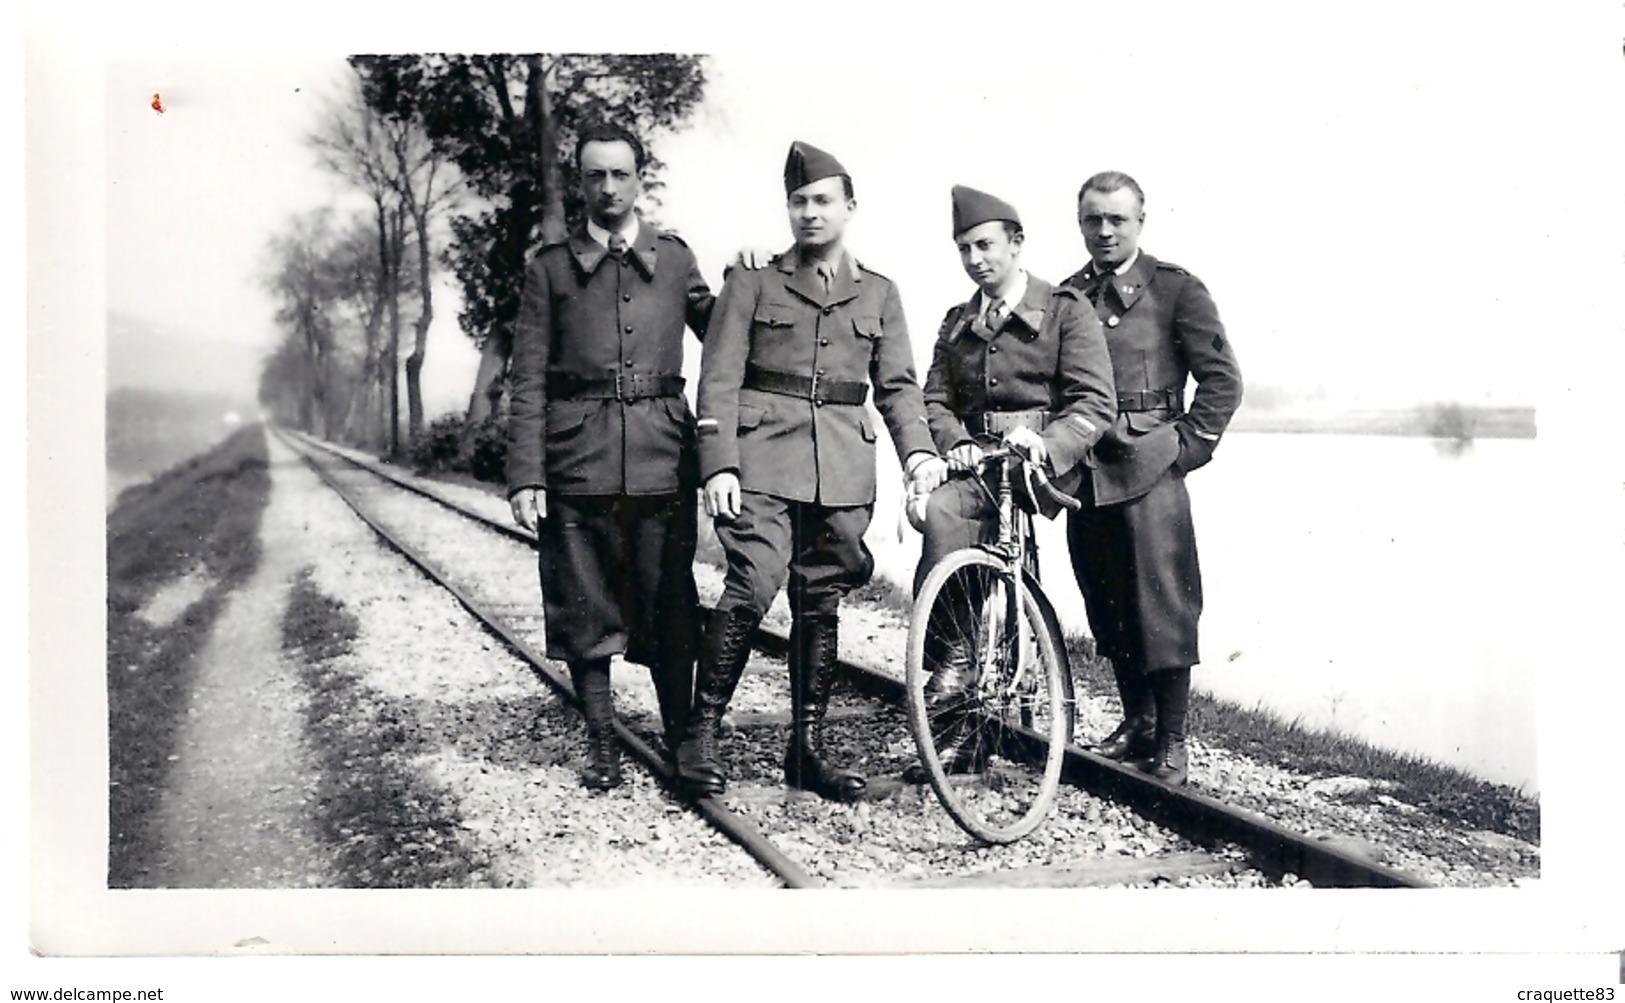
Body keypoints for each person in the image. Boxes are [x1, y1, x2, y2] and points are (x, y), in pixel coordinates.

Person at [678, 140, 948, 803]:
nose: (808, 212)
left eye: (821, 200)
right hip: (761, 460)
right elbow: (717, 378)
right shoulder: (752, 281)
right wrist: (717, 462)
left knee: (820, 602)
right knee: (753, 580)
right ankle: (698, 734)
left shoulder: (880, 294)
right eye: (797, 201)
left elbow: (898, 388)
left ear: (848, 207)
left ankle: (806, 749)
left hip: (843, 470)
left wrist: (916, 451)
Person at [506, 123, 715, 791]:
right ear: (580, 181)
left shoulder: (676, 259)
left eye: (619, 174)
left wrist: (752, 273)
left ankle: (684, 743)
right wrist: (526, 475)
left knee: (671, 605)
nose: (607, 187)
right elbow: (528, 376)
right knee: (582, 605)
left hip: (661, 460)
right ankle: (602, 744)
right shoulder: (549, 269)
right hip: (577, 463)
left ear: (638, 178)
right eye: (594, 175)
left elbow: (726, 334)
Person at [902, 185, 1116, 782]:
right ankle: (953, 666)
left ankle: (989, 671)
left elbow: (1094, 404)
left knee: (1005, 528)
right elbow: (934, 401)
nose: (976, 259)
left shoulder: (1067, 310)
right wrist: (955, 443)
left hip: (1042, 465)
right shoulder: (956, 322)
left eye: (986, 245)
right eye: (965, 249)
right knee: (945, 513)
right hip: (979, 462)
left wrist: (1046, 444)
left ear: (1016, 244)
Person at [1061, 171, 1243, 786]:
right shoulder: (1068, 297)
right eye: (1093, 219)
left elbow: (1223, 381)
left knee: (1163, 603)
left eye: (1117, 219)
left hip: (1152, 466)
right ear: (1080, 222)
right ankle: (1135, 722)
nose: (1105, 231)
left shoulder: (1175, 290)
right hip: (1087, 471)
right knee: (1106, 599)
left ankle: (1172, 741)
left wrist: (1186, 448)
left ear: (1140, 222)